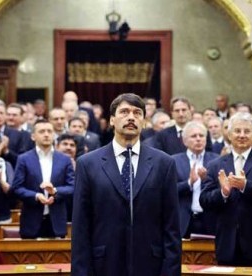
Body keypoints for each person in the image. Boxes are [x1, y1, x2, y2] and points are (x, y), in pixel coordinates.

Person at [72, 93, 181, 276]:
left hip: (150, 266)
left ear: (144, 122)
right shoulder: (88, 164)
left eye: (137, 113)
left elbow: (172, 227)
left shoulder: (164, 163)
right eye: (124, 112)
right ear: (112, 120)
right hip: (103, 265)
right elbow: (81, 227)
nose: (131, 117)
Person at [199, 112, 252, 267]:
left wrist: (246, 186)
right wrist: (223, 192)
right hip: (227, 243)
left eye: (247, 131)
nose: (242, 135)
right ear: (229, 135)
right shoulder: (216, 164)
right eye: (237, 131)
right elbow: (204, 200)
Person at [12, 119, 75, 239]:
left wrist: (55, 191)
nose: (46, 134)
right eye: (42, 131)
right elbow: (16, 188)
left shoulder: (64, 159)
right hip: (31, 220)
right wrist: (36, 196)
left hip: (57, 221)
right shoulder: (23, 159)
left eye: (49, 131)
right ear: (33, 136)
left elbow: (73, 187)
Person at [172, 121, 218, 238]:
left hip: (210, 219)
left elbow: (222, 191)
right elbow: (168, 191)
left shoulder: (217, 160)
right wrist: (189, 183)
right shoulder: (173, 161)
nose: (198, 139)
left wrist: (206, 181)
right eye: (193, 136)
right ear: (184, 141)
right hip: (184, 220)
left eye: (201, 136)